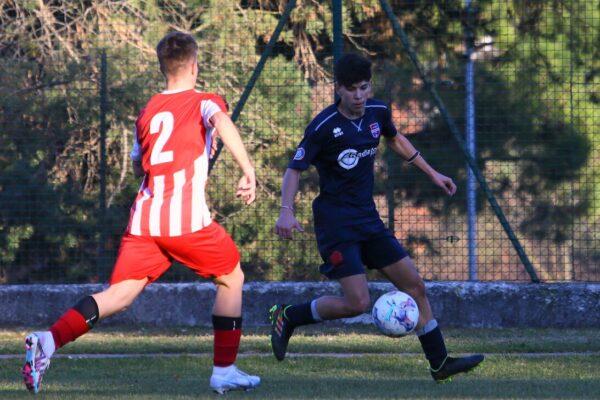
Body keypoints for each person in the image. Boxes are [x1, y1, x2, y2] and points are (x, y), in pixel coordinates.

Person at [22, 31, 260, 395]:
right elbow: (222, 123)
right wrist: (248, 169)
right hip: (185, 221)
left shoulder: (148, 112)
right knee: (231, 278)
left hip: (145, 220)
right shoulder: (204, 102)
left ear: (163, 68)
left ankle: (48, 341)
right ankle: (224, 370)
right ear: (195, 67)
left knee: (120, 295)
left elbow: (139, 167)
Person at [270, 53, 484, 382]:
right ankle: (288, 315)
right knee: (357, 302)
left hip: (368, 220)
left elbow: (395, 138)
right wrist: (286, 212)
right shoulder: (323, 127)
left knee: (414, 284)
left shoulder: (378, 112)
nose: (359, 95)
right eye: (352, 89)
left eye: (365, 87)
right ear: (338, 88)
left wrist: (432, 173)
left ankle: (440, 363)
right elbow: (294, 169)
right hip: (336, 223)